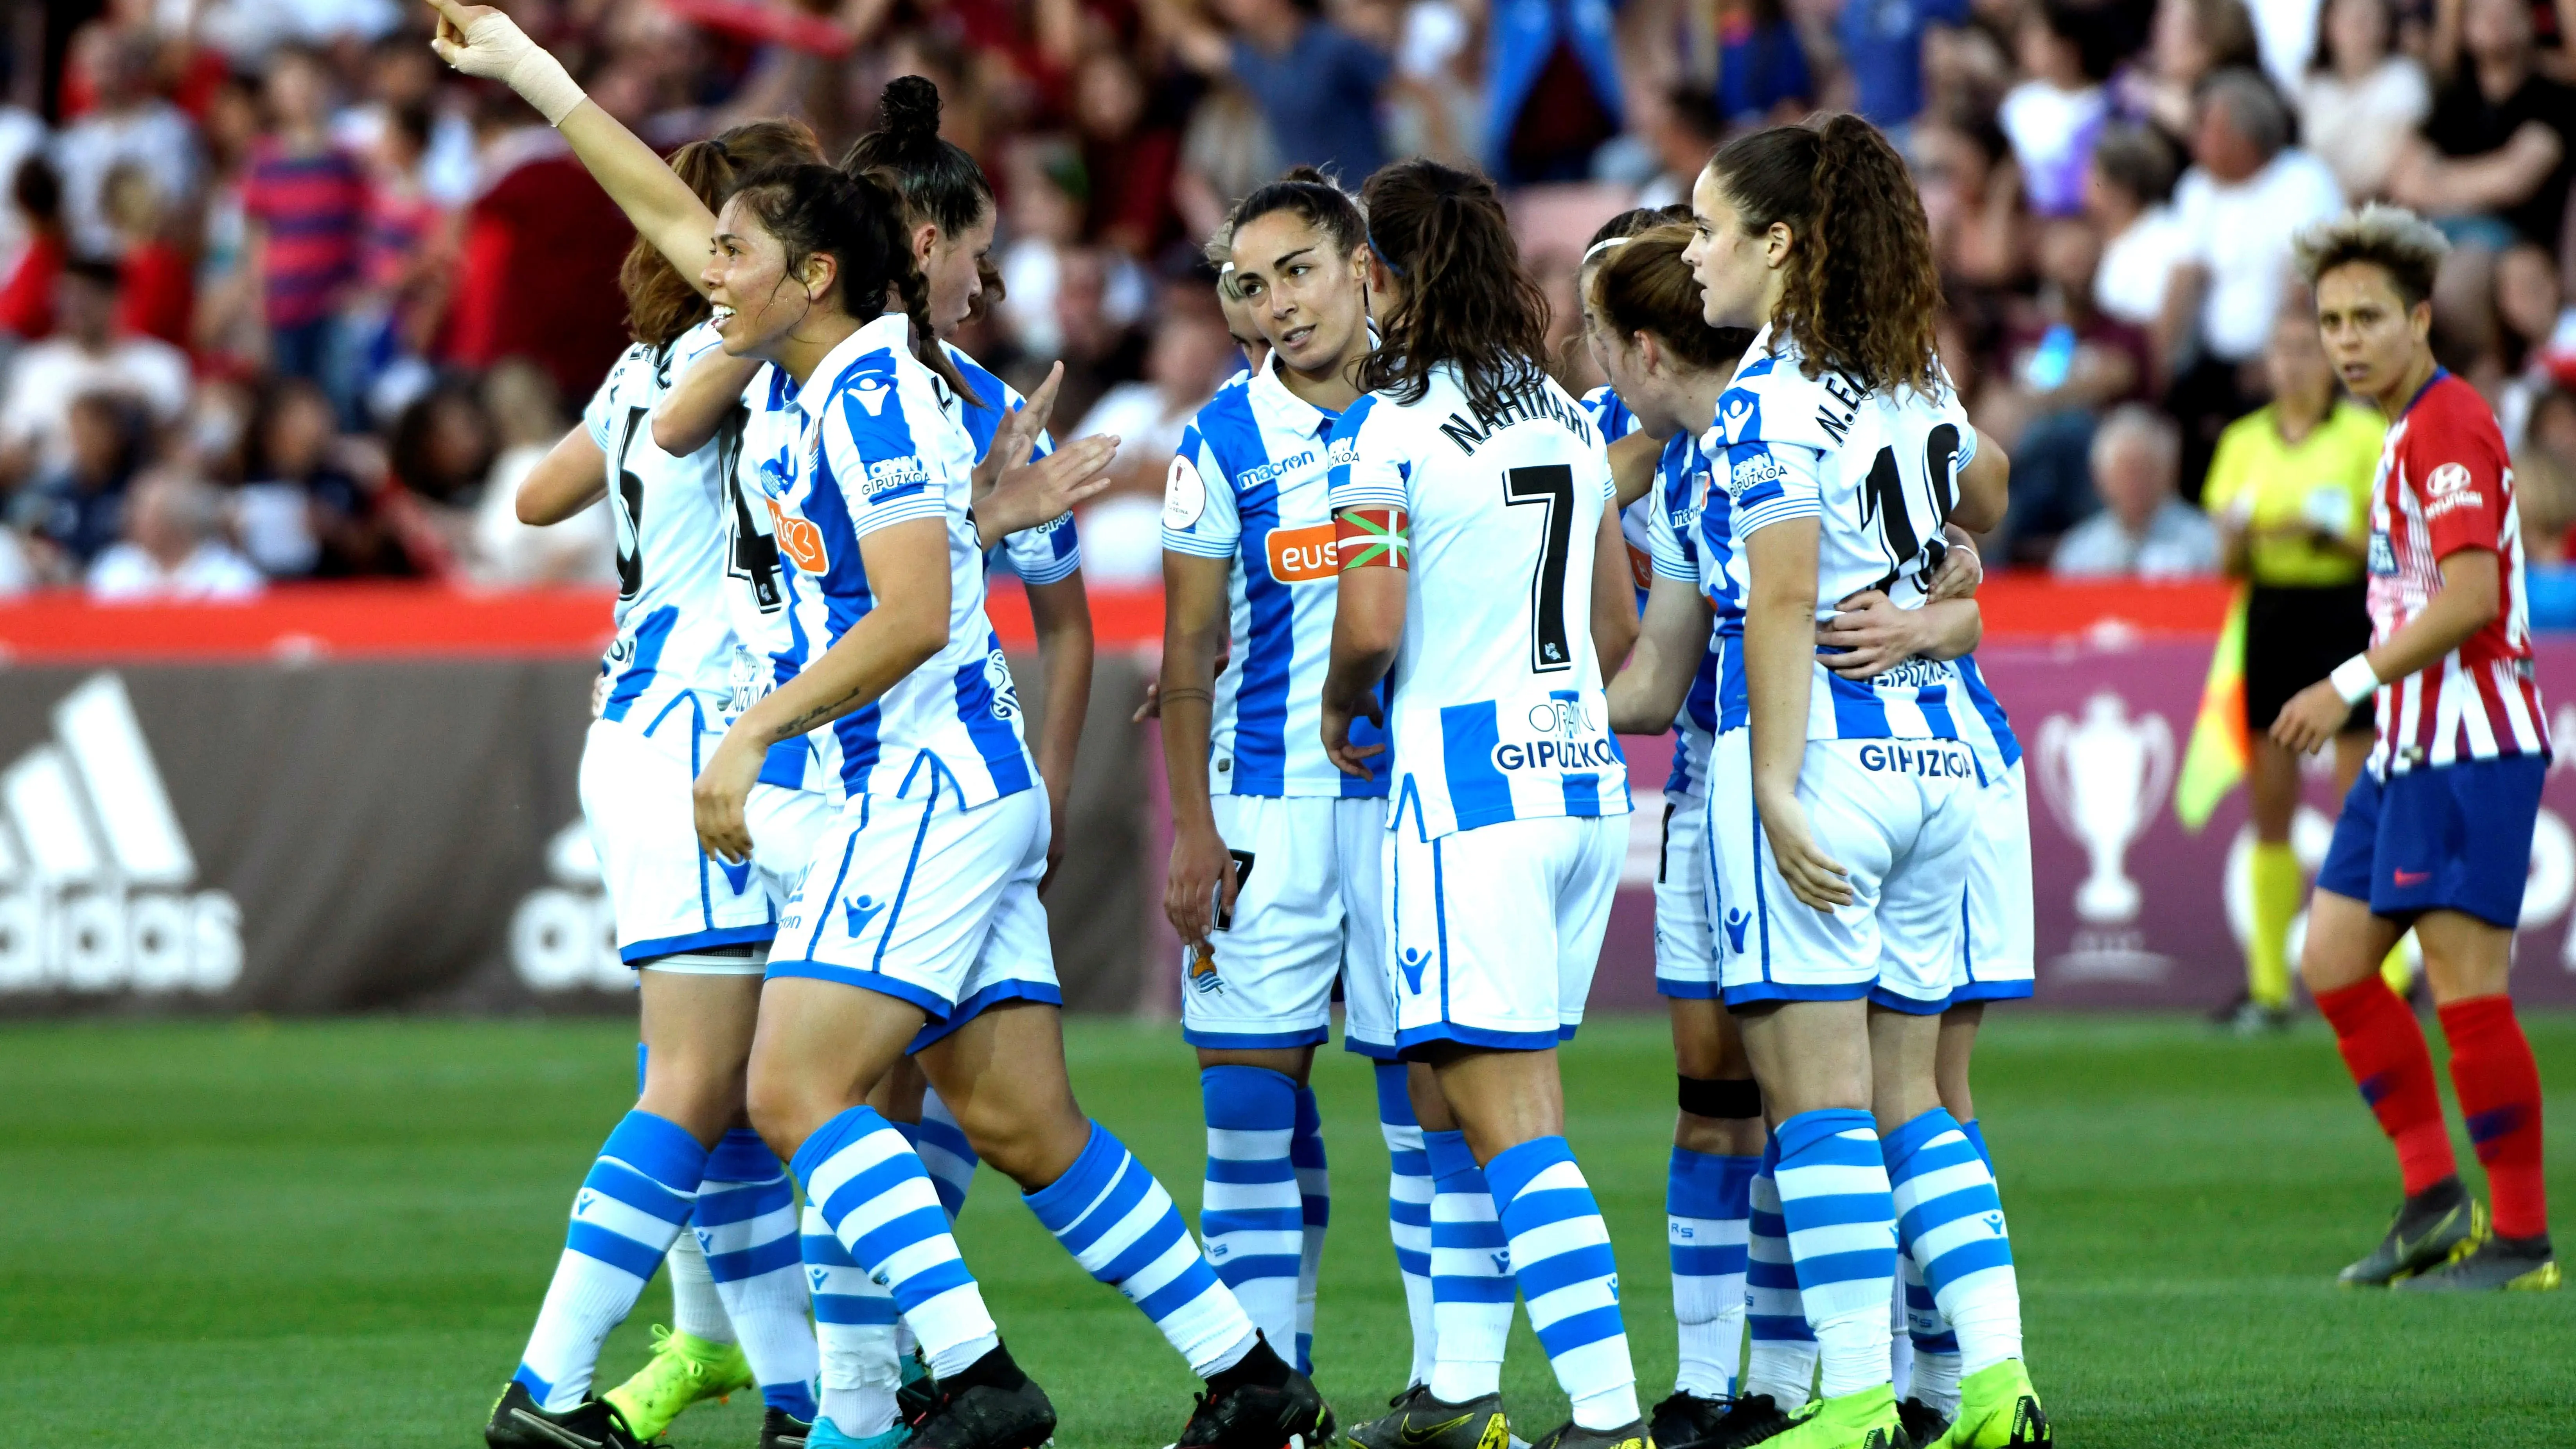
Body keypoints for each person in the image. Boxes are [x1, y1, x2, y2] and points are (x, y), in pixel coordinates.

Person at [429, 14, 1329, 1449]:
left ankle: (960, 1376)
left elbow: (906, 615)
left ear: (821, 269)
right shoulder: (806, 380)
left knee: (789, 1084)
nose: (703, 271)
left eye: (732, 252)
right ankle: (1250, 1375)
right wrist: (539, 83)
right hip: (901, 784)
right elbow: (696, 411)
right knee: (1026, 1122)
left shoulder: (872, 391)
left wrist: (747, 738)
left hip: (916, 783)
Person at [464, 116, 841, 1449]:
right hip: (697, 733)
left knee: (731, 1094)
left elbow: (534, 500)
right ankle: (549, 1384)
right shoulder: (725, 357)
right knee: (691, 1083)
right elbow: (684, 430)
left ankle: (799, 1398)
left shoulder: (640, 363)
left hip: (636, 715)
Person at [1682, 115, 2046, 1449]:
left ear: (1778, 244)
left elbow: (1778, 604)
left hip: (1827, 753)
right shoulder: (1902, 371)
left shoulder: (1769, 398)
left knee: (1820, 1102)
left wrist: (1772, 787)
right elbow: (1989, 488)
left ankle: (1849, 1400)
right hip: (1943, 750)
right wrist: (1951, 549)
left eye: (1708, 227)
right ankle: (1996, 1388)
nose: (1692, 252)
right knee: (1917, 1102)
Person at [1319, 157, 1647, 1449]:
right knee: (1467, 1092)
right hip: (1577, 779)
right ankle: (1456, 1390)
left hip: (1466, 791)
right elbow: (1615, 620)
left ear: (1383, 274)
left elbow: (1371, 622)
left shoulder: (1384, 431)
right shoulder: (1567, 414)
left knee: (1503, 1115)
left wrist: (1346, 701)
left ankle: (1609, 1414)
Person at [2280, 202, 2558, 1293]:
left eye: (2366, 319)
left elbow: (2473, 596)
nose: (2346, 341)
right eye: (2330, 320)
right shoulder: (2403, 429)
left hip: (2470, 745)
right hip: (2410, 746)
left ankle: (2523, 1240)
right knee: (2336, 963)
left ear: (2422, 319)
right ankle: (2436, 1199)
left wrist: (2344, 681)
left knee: (2465, 987)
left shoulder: (2447, 422)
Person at [1155, 166, 1396, 1403]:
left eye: (1297, 270)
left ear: (1361, 263)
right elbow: (1184, 657)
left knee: (1433, 1120)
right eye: (1250, 287)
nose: (1278, 305)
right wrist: (1193, 829)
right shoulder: (1215, 443)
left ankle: (1448, 1388)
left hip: (1416, 816)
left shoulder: (1439, 410)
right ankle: (1265, 1395)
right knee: (1251, 1116)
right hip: (1264, 813)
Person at [1581, 225, 1769, 1449]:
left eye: (1598, 325)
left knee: (1817, 1093)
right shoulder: (1615, 454)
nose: (1585, 352)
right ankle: (1707, 1382)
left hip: (1786, 772)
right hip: (1700, 779)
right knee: (1711, 1095)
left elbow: (1987, 475)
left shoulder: (1770, 423)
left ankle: (1828, 1377)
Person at [2201, 308, 2386, 1030]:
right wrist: (2249, 539)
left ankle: (2383, 977)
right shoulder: (2244, 442)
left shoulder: (2364, 436)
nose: (2296, 363)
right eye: (2284, 350)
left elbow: (2381, 545)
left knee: (2359, 802)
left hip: (2346, 614)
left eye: (2308, 349)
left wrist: (2324, 532)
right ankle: (2269, 986)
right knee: (2270, 805)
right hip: (2273, 615)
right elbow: (2226, 559)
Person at [2159, 69, 2345, 496]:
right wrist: (2161, 365)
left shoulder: (2302, 181)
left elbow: (2302, 285)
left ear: (2244, 138)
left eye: (2208, 129)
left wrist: (2275, 358)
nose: (2195, 140)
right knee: (2172, 413)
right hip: (2213, 359)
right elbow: (2183, 282)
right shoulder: (2197, 188)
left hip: (2279, 355)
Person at [2051, 404, 2221, 577]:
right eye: (2124, 471)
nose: (2134, 482)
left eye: (2145, 469)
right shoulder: (2079, 553)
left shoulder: (2207, 543)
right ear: (2100, 477)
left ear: (2170, 471)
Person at [86, 468, 266, 602]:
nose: (132, 520)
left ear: (179, 519)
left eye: (147, 514)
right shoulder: (115, 568)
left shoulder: (231, 578)